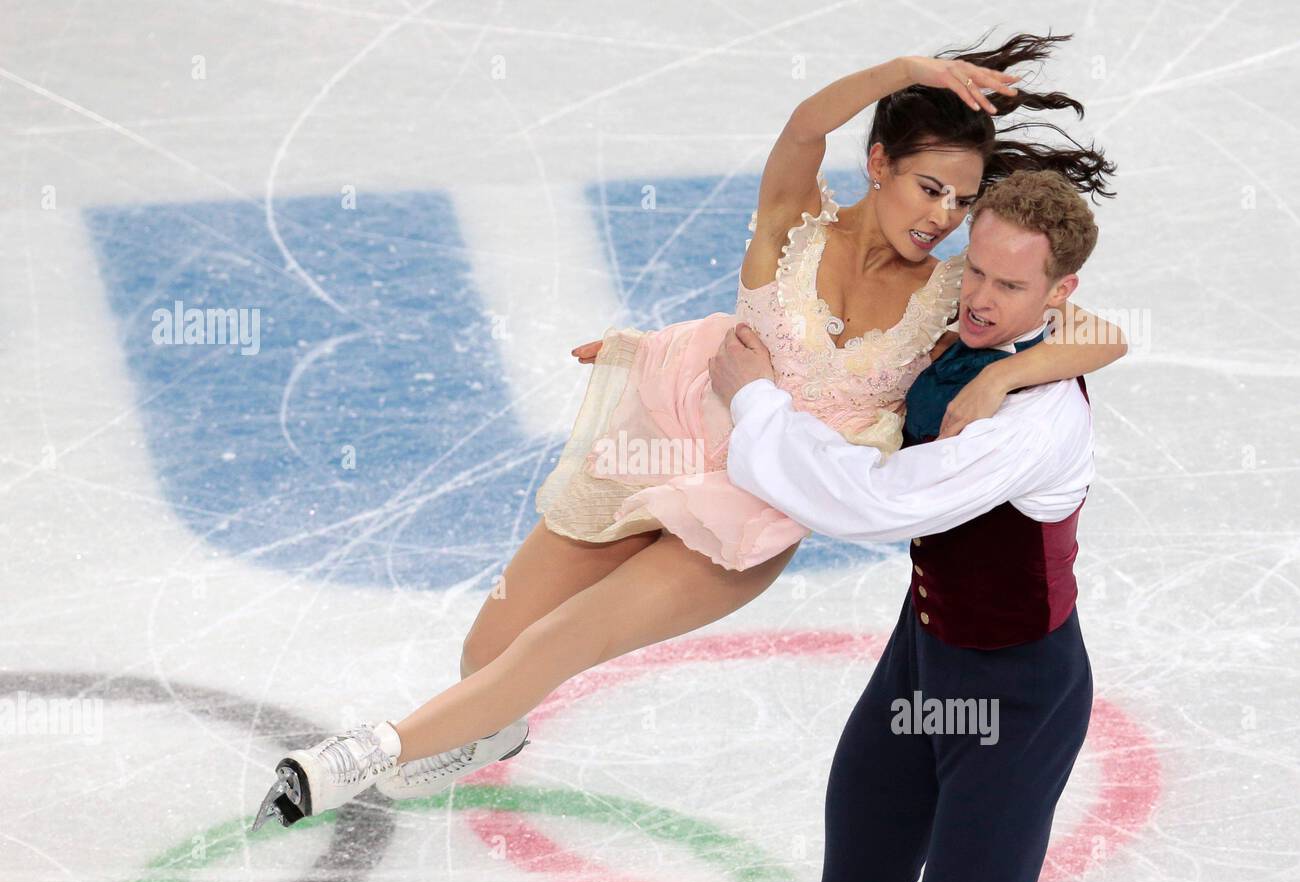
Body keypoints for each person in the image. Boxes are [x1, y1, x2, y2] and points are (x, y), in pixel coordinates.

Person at [251, 33, 1124, 834]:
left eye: (961, 201)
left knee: (566, 640)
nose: (941, 216)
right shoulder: (792, 220)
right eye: (928, 187)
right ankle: (491, 728)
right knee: (490, 648)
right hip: (668, 430)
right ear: (878, 162)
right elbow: (800, 125)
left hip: (750, 505)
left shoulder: (948, 300)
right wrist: (905, 72)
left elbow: (1102, 335)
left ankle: (356, 757)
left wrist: (1009, 371)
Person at [712, 168, 1118, 882]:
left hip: (1014, 693)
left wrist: (753, 404)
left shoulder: (1035, 421)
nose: (982, 301)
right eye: (978, 272)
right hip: (923, 655)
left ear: (1061, 294)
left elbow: (879, 497)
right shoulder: (959, 326)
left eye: (1012, 287)